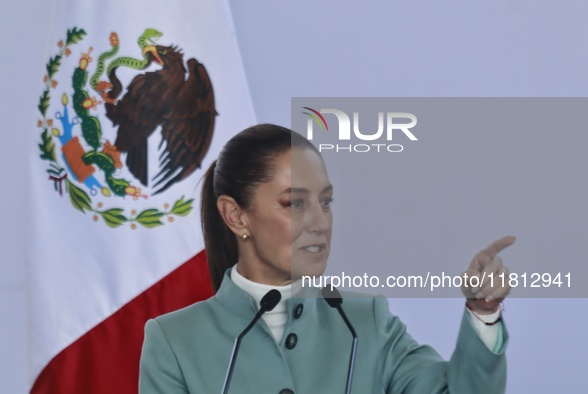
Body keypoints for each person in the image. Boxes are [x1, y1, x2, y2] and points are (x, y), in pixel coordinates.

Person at [139, 124, 513, 393]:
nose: (320, 222)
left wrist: (483, 313)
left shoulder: (366, 322)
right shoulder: (173, 340)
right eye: (295, 203)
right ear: (236, 216)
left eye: (326, 202)